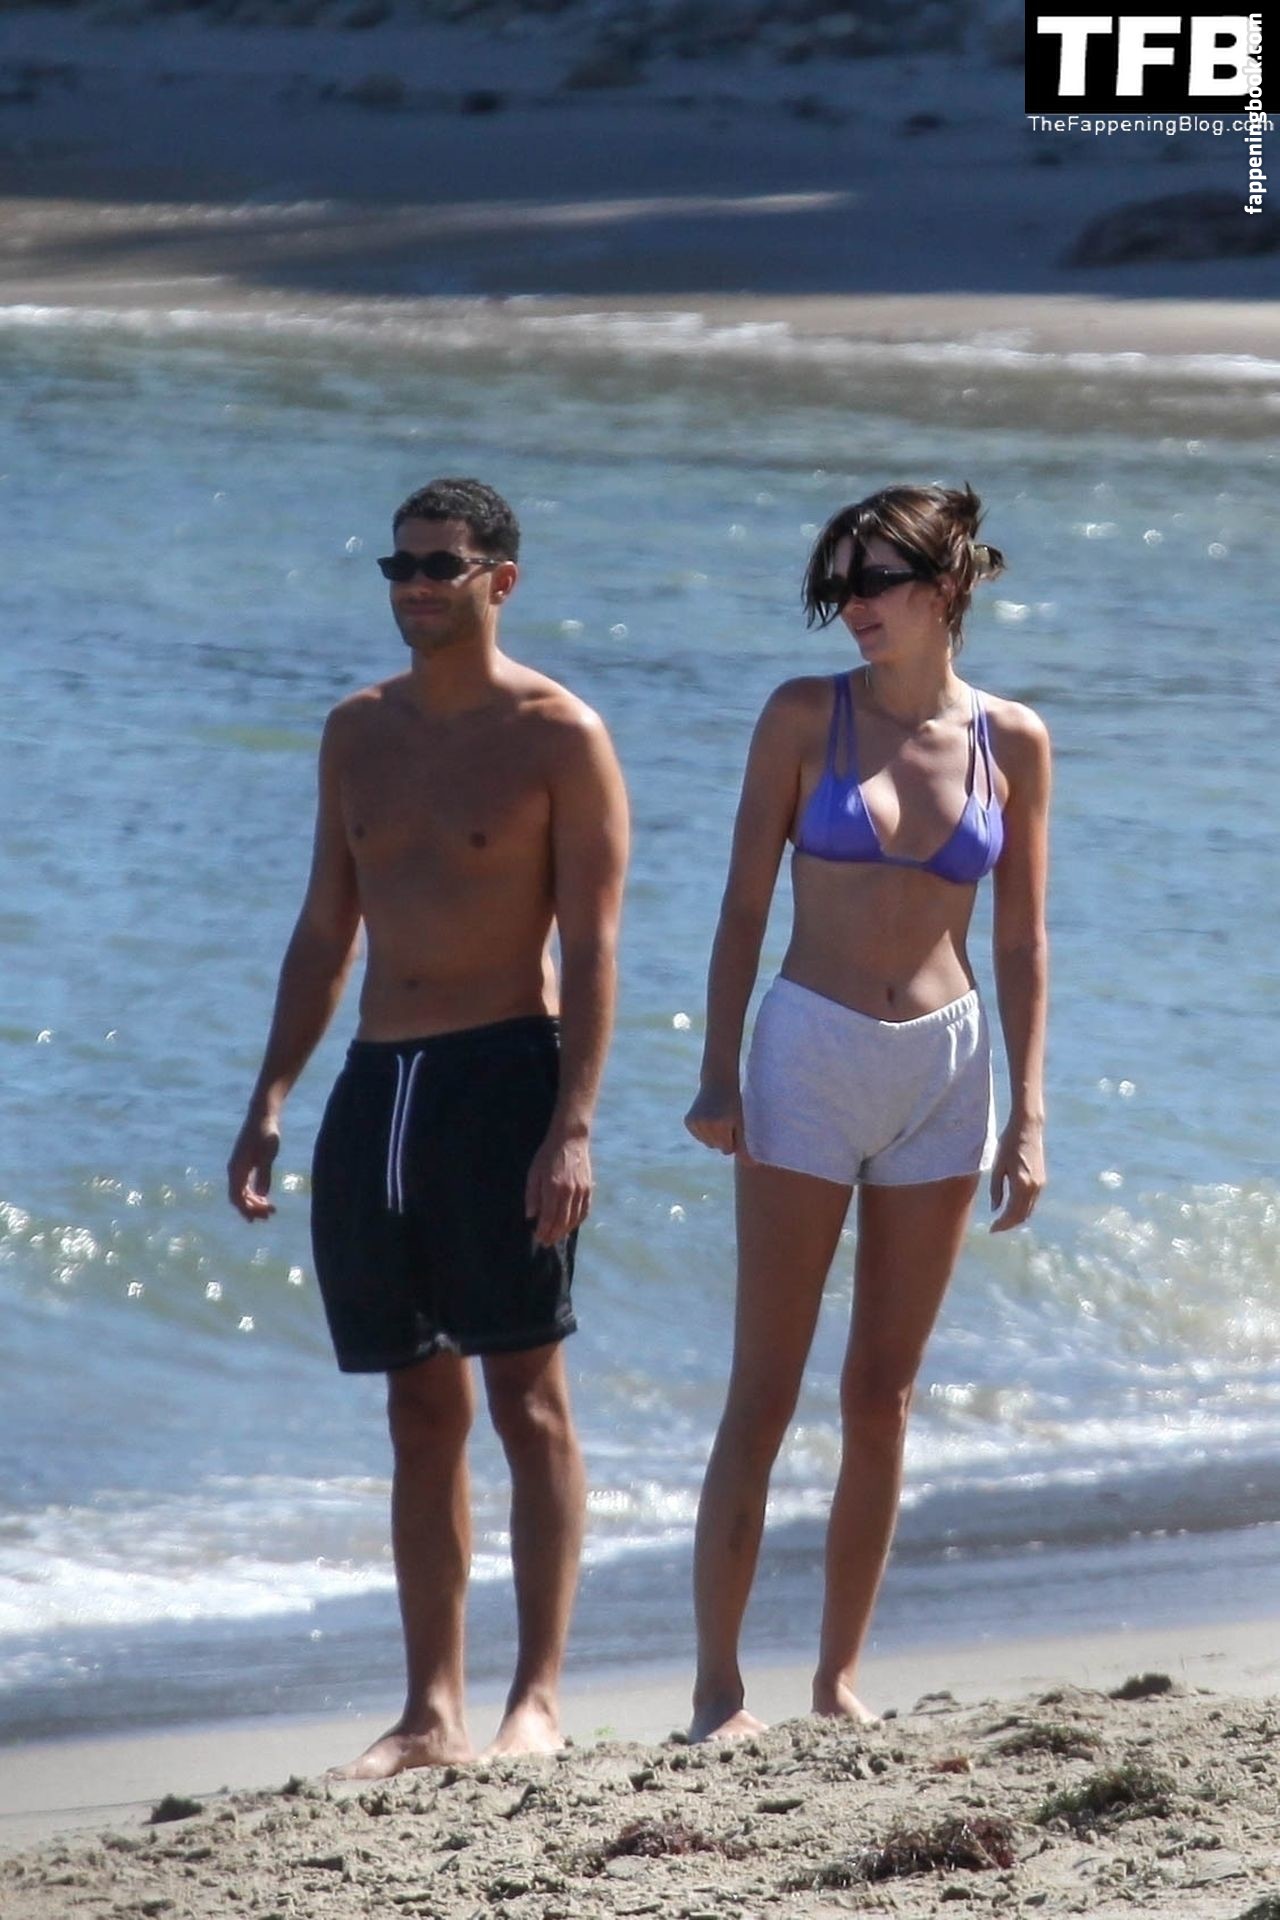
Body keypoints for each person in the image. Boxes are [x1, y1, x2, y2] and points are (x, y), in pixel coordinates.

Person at [227, 477, 629, 1775]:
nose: (412, 585)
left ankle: (537, 1701)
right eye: (397, 565)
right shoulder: (357, 731)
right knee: (416, 1409)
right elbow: (323, 929)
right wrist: (270, 1099)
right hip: (379, 1088)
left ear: (499, 580)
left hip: (505, 1074)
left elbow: (596, 948)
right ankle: (429, 1712)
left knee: (527, 1396)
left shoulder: (561, 736)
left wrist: (573, 1126)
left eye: (438, 565)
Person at [684, 483, 1049, 1739]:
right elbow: (741, 906)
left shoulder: (1012, 740)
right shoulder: (803, 716)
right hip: (807, 1054)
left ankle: (837, 1682)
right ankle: (718, 1689)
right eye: (835, 586)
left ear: (945, 587)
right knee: (764, 1388)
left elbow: (1022, 944)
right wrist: (716, 1071)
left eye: (874, 581)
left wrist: (1028, 1113)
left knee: (881, 1394)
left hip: (946, 1067)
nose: (850, 606)